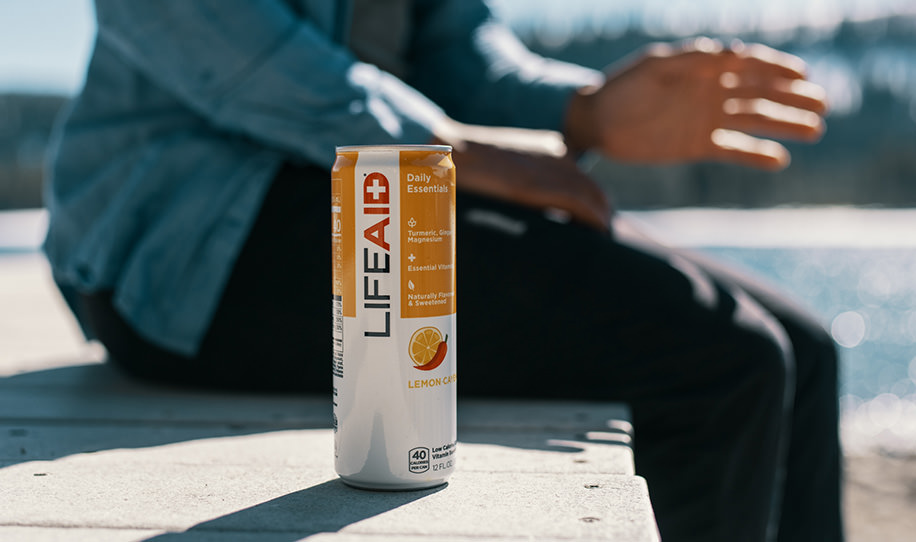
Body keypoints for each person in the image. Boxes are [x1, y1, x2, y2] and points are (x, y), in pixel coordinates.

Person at [43, 1, 840, 541]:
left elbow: (453, 54)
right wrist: (456, 149)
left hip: (394, 185)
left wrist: (586, 113)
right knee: (722, 359)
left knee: (800, 349)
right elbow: (225, 44)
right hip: (187, 241)